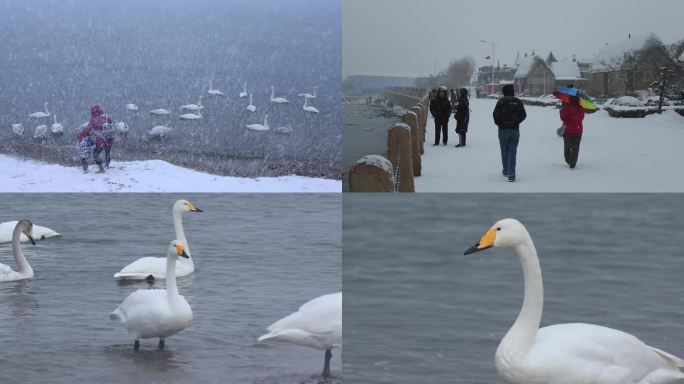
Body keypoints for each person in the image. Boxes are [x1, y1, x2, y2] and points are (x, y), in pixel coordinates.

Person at [493, 84, 527, 182]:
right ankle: (511, 174)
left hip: (503, 130)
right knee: (513, 151)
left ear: (504, 92)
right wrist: (516, 122)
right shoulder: (518, 102)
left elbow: (495, 115)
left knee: (504, 150)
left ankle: (506, 171)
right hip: (514, 130)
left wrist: (500, 123)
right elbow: (524, 115)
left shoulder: (501, 102)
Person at [77, 105, 113, 174]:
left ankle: (101, 169)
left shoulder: (94, 120)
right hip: (109, 139)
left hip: (101, 140)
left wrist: (80, 136)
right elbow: (111, 126)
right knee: (107, 151)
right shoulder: (107, 117)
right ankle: (107, 165)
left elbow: (87, 130)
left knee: (96, 153)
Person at [560, 96, 585, 169]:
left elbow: (563, 118)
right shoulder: (580, 107)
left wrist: (562, 111)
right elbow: (582, 117)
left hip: (568, 130)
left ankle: (568, 160)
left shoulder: (567, 107)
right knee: (575, 147)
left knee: (567, 146)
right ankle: (573, 163)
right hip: (578, 130)